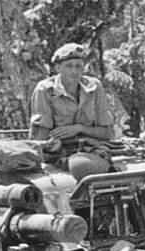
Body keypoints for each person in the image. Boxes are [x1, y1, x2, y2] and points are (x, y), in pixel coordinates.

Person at [29, 43, 114, 179]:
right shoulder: (45, 90)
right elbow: (39, 139)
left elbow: (107, 133)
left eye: (78, 66)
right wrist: (51, 145)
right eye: (69, 66)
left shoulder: (94, 87)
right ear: (58, 68)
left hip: (93, 150)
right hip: (60, 152)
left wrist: (79, 128)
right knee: (80, 166)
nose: (74, 71)